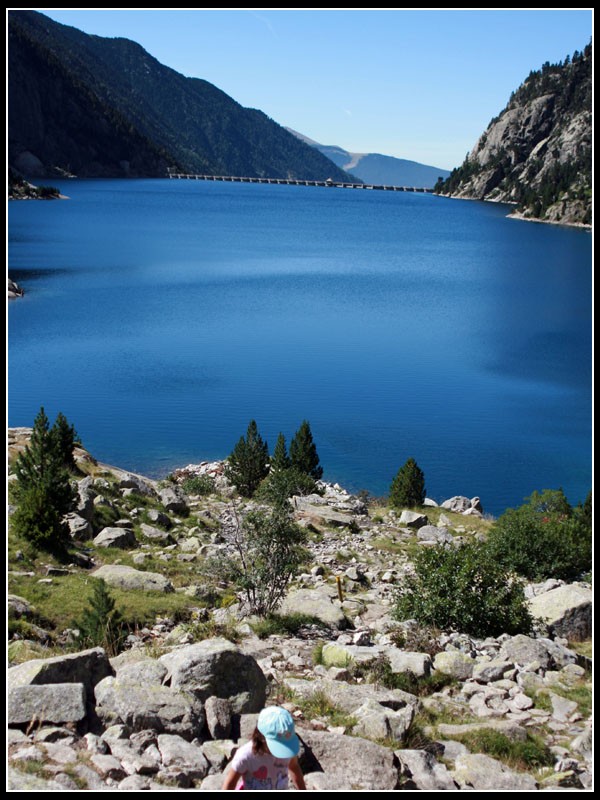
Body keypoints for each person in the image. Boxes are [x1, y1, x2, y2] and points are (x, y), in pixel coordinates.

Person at [222, 705, 306, 791]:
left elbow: (294, 766)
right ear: (262, 737)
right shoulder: (246, 756)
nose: (282, 751)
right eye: (278, 746)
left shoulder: (288, 751)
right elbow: (230, 783)